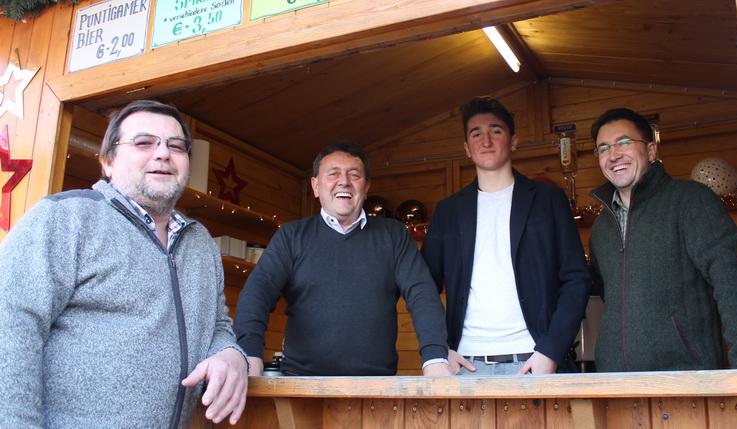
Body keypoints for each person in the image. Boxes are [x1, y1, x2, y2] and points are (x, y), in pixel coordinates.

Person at [0, 100, 248, 428]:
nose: (163, 153)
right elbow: (9, 325)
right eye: (144, 142)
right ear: (108, 161)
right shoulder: (64, 217)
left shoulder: (200, 242)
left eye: (176, 146)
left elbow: (217, 325)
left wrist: (232, 354)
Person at [234, 141, 451, 376]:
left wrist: (435, 356)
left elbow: (422, 293)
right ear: (315, 186)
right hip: (301, 382)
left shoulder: (393, 235)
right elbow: (258, 291)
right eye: (333, 173)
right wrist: (249, 352)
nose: (344, 181)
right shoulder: (291, 235)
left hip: (376, 384)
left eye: (354, 174)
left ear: (366, 188)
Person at [588, 107, 737, 371]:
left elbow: (735, 284)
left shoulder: (692, 201)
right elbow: (608, 297)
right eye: (604, 148)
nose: (613, 155)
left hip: (687, 377)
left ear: (651, 151)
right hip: (616, 381)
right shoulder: (601, 227)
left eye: (624, 142)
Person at [421, 96, 592, 375]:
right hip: (465, 364)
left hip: (534, 361)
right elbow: (424, 287)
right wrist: (438, 349)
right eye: (476, 134)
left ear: (513, 141)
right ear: (467, 148)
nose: (486, 141)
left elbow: (576, 277)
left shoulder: (548, 199)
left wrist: (552, 350)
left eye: (496, 131)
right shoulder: (448, 211)